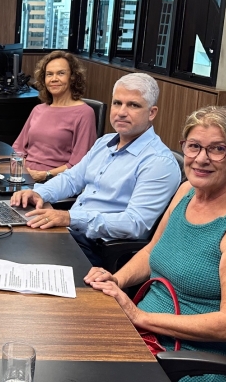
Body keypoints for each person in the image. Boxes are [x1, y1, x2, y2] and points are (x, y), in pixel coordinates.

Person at [85, 106, 226, 382]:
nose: (201, 159)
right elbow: (151, 251)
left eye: (217, 149)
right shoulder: (186, 191)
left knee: (84, 381)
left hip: (195, 366)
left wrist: (139, 317)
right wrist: (116, 280)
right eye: (194, 146)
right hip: (147, 338)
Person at [11, 73, 181, 265]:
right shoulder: (104, 142)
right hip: (73, 233)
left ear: (152, 112)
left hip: (100, 250)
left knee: (20, 256)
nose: (121, 112)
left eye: (133, 105)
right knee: (8, 239)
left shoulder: (159, 162)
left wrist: (69, 218)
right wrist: (39, 194)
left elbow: (134, 224)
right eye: (117, 103)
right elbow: (71, 179)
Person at [12, 51, 97, 183]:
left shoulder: (84, 113)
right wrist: (23, 171)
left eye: (61, 73)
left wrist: (45, 175)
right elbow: (17, 149)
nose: (54, 79)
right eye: (49, 74)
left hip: (56, 182)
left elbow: (80, 164)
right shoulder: (38, 109)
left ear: (72, 77)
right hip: (24, 177)